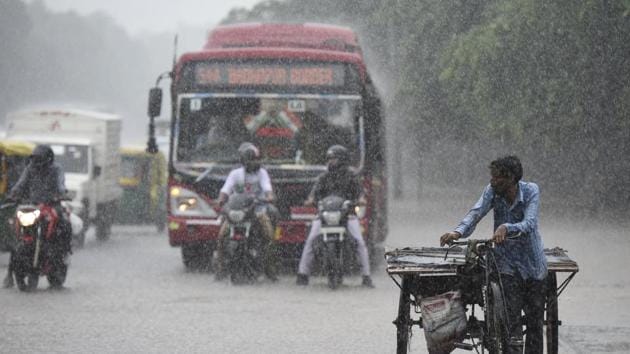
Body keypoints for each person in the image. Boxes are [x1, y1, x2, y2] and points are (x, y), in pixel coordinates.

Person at [440, 155, 547, 353]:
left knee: (534, 324)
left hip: (533, 266)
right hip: (505, 265)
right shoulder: (492, 192)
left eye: (498, 178)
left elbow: (530, 223)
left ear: (512, 178)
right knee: (509, 321)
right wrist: (457, 232)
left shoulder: (531, 190)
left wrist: (507, 227)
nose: (492, 181)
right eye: (492, 176)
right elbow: (476, 212)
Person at [296, 145, 374, 288]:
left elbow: (360, 193)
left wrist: (361, 199)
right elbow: (313, 194)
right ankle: (303, 274)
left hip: (347, 215)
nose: (331, 161)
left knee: (359, 242)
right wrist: (310, 200)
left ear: (342, 159)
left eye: (334, 158)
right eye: (329, 159)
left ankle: (366, 276)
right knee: (311, 239)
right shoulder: (323, 177)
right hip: (325, 216)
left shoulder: (352, 177)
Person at [3, 144, 72, 288]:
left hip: (51, 205)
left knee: (63, 222)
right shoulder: (30, 168)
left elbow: (60, 184)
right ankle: (11, 271)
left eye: (40, 159)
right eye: (35, 159)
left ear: (48, 159)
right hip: (32, 206)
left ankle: (63, 253)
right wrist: (13, 194)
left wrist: (62, 193)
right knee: (15, 227)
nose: (37, 163)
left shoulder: (56, 169)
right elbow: (20, 184)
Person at [214, 142, 278, 281]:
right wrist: (221, 200)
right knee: (220, 237)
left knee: (269, 236)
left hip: (257, 210)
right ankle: (220, 269)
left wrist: (269, 196)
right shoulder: (235, 174)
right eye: (252, 160)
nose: (256, 162)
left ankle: (270, 268)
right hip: (238, 210)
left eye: (257, 159)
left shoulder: (262, 173)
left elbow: (267, 189)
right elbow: (225, 190)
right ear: (244, 161)